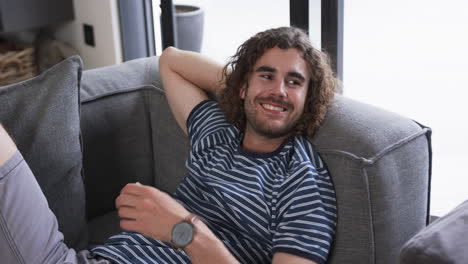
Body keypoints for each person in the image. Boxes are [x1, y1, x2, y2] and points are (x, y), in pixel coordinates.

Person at [0, 27, 337, 264]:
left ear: (309, 100)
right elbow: (171, 61)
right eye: (266, 75)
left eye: (294, 82)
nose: (279, 90)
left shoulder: (303, 180)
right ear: (241, 87)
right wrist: (247, 87)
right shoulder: (218, 135)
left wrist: (185, 230)